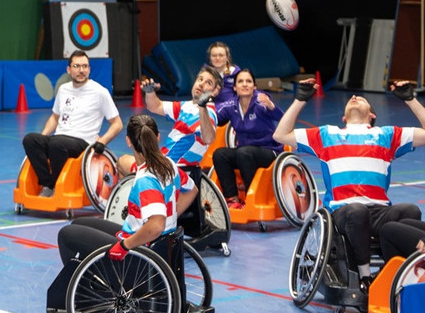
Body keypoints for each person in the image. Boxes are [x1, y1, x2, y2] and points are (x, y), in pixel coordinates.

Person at [273, 79, 425, 292]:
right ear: (343, 117)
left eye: (360, 98)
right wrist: (300, 99)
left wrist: (410, 99)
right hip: (342, 211)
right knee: (357, 211)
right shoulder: (327, 134)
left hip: (379, 211)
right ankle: (365, 276)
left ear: (372, 115)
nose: (354, 97)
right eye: (351, 99)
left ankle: (397, 273)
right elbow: (280, 135)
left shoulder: (387, 135)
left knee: (410, 210)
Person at [57, 114, 198, 264]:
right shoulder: (169, 164)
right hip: (154, 241)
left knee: (66, 234)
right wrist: (170, 217)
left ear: (128, 141)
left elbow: (156, 225)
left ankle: (86, 285)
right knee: (79, 224)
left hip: (140, 251)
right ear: (157, 137)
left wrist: (125, 245)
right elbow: (192, 190)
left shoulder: (146, 179)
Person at [124, 65, 221, 237]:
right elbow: (155, 106)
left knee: (123, 162)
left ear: (215, 91)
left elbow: (208, 138)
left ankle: (146, 217)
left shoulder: (209, 113)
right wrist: (150, 92)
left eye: (208, 83)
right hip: (162, 163)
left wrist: (203, 107)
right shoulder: (185, 106)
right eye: (200, 79)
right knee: (125, 160)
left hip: (174, 171)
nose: (201, 84)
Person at [22, 50, 123, 197]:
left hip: (82, 143)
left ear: (89, 69)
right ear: (69, 69)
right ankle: (48, 184)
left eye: (85, 66)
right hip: (59, 139)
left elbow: (117, 123)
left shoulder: (100, 92)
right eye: (77, 66)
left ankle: (54, 185)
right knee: (30, 140)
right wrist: (42, 137)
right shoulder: (63, 90)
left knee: (57, 144)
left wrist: (103, 140)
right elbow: (55, 118)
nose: (81, 70)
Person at [211, 69, 284, 210]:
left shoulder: (261, 100)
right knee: (220, 154)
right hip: (245, 153)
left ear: (254, 86)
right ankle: (232, 199)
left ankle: (253, 196)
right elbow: (214, 117)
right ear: (234, 87)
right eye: (240, 81)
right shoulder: (231, 105)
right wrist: (206, 102)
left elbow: (281, 118)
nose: (245, 84)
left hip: (270, 151)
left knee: (243, 153)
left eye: (248, 81)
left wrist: (271, 106)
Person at [207, 41, 239, 109]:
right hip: (212, 111)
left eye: (221, 55)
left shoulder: (236, 73)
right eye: (214, 55)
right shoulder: (205, 75)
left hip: (232, 109)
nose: (217, 58)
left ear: (227, 57)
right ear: (210, 58)